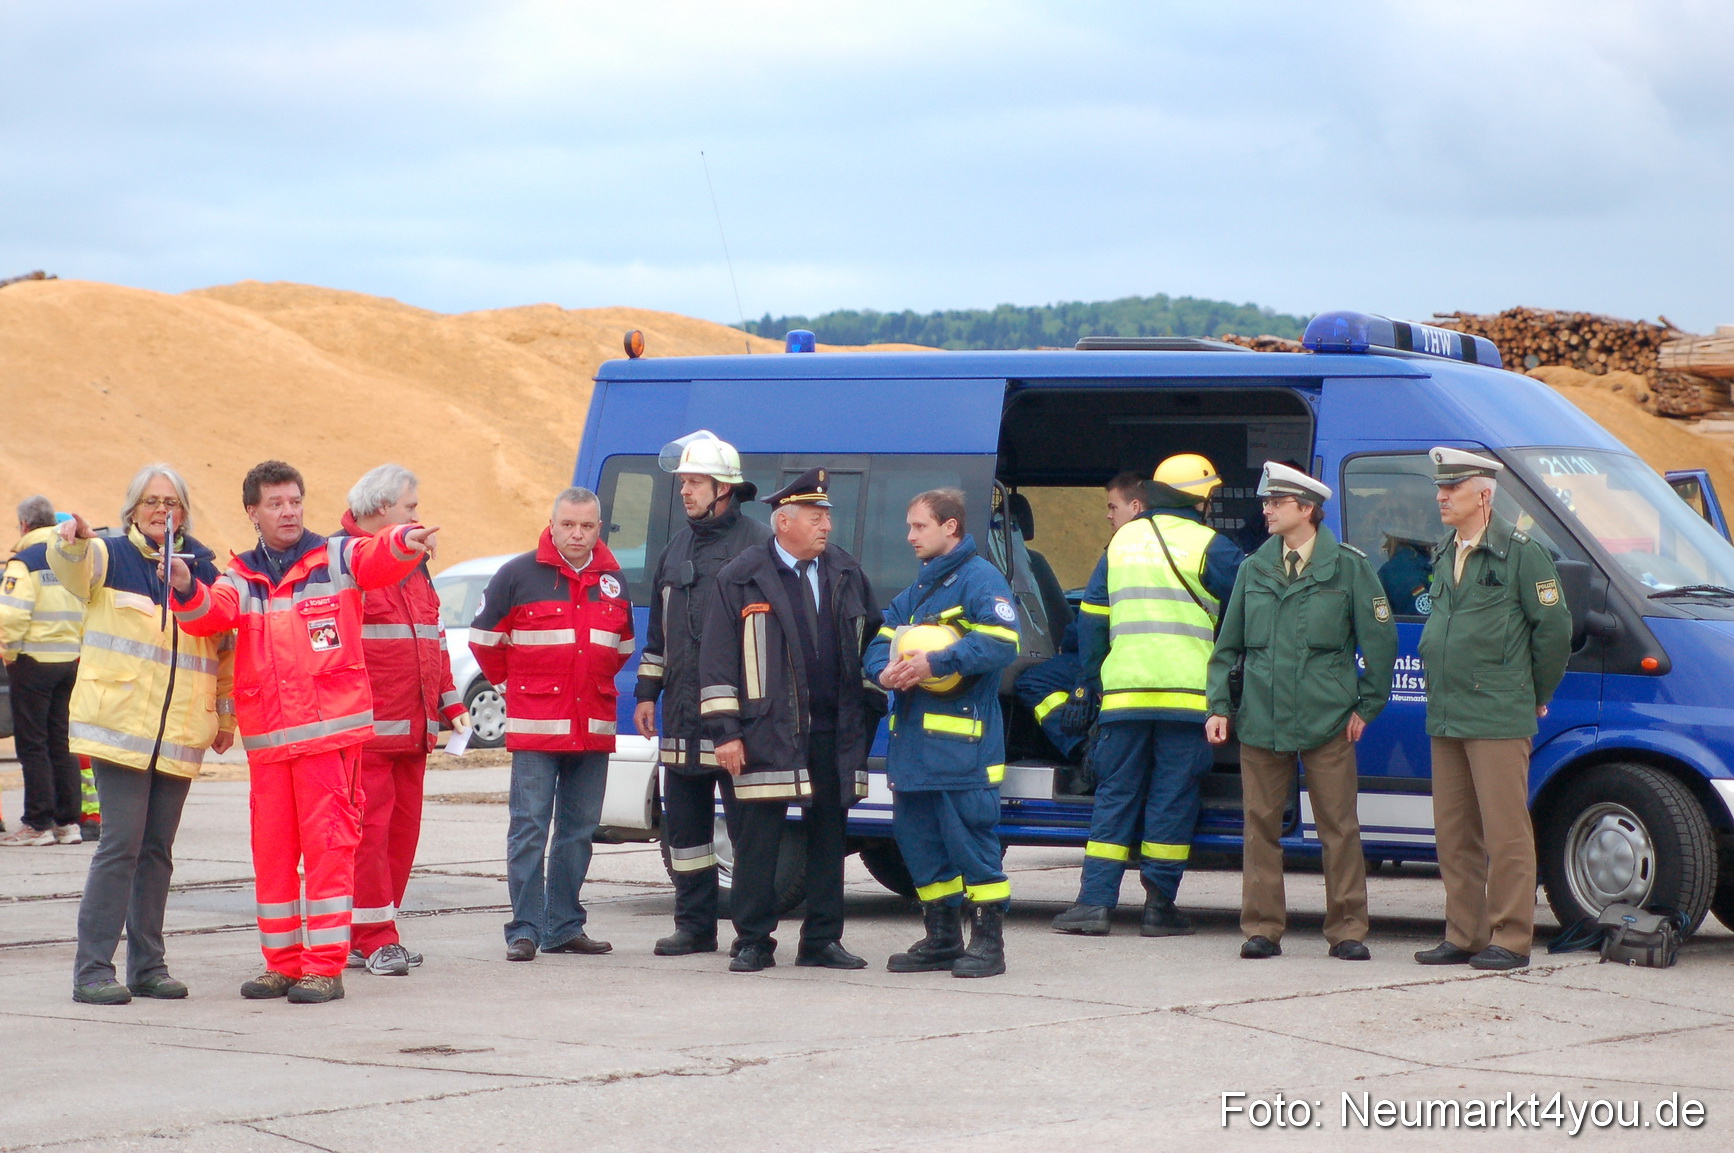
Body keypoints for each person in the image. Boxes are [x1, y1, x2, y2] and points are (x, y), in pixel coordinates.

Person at [171, 461, 437, 1004]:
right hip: (270, 746)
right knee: (272, 858)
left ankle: (324, 967)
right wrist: (183, 587)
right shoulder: (241, 575)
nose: (288, 511)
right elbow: (210, 615)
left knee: (329, 854)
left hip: (328, 743)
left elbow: (378, 558)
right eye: (276, 503)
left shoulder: (336, 556)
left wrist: (406, 538)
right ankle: (282, 964)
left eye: (294, 501)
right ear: (253, 513)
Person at [48, 466, 237, 1003]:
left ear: (184, 511)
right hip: (121, 729)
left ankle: (148, 967)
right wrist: (73, 541)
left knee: (157, 850)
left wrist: (225, 716)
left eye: (171, 502)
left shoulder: (203, 566)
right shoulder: (107, 555)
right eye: (151, 501)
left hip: (178, 733)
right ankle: (92, 970)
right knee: (120, 845)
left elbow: (225, 649)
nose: (161, 511)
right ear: (131, 509)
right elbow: (72, 566)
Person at [1205, 462, 1398, 961]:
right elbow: (1227, 648)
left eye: (1276, 503)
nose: (1265, 510)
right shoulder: (1253, 568)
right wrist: (1220, 706)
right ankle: (1262, 927)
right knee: (1260, 825)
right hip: (1262, 719)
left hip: (1327, 718)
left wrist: (1368, 705)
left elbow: (1380, 643)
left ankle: (1348, 929)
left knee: (1339, 826)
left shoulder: (1350, 567)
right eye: (1267, 502)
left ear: (1306, 509)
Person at [1052, 453, 1244, 936]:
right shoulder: (1213, 547)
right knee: (1172, 798)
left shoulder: (1121, 543)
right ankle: (1159, 909)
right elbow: (1247, 613)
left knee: (1115, 795)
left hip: (1124, 699)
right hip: (1189, 701)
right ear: (1200, 498)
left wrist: (1091, 683)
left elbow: (1092, 622)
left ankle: (1094, 905)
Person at [698, 467, 881, 973]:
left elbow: (874, 640)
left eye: (827, 517)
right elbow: (714, 662)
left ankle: (822, 940)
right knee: (759, 842)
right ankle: (753, 941)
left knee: (828, 838)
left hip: (833, 732)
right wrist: (726, 733)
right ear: (783, 523)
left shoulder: (845, 571)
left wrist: (868, 707)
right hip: (764, 733)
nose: (826, 526)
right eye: (816, 517)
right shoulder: (740, 575)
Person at [1413, 448, 1571, 972]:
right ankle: (1464, 933)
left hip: (1499, 710)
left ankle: (1511, 937)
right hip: (1447, 709)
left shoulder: (1523, 554)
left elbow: (1554, 631)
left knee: (1505, 833)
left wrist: (1536, 694)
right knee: (1454, 833)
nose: (1440, 497)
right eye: (1440, 489)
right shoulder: (1444, 551)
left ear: (1483, 495)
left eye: (1451, 489)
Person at [469, 487, 634, 962]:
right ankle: (524, 928)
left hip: (592, 728)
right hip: (537, 728)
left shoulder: (613, 579)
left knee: (578, 832)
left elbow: (620, 646)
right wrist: (520, 684)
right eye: (568, 525)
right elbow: (484, 641)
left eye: (586, 525)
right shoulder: (518, 574)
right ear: (553, 524)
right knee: (529, 830)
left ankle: (564, 926)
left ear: (598, 528)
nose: (577, 533)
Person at [864, 489, 1019, 978]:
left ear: (950, 527)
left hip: (961, 752)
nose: (909, 536)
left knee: (973, 846)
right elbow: (879, 643)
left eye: (919, 527)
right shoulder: (921, 589)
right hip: (913, 754)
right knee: (920, 846)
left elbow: (1002, 643)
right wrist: (882, 674)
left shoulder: (979, 579)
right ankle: (942, 938)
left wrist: (938, 661)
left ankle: (988, 945)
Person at [633, 432, 770, 957]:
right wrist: (648, 690)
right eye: (683, 482)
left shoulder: (757, 545)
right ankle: (694, 925)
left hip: (738, 722)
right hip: (681, 719)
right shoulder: (675, 548)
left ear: (725, 488)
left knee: (748, 832)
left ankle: (752, 935)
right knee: (684, 834)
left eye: (694, 482)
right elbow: (658, 637)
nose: (685, 492)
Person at [340, 465, 470, 977]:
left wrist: (450, 703)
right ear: (380, 509)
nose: (418, 515)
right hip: (368, 733)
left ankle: (371, 932)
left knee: (400, 836)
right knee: (368, 838)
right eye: (410, 507)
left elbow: (431, 635)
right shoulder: (344, 561)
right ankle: (375, 938)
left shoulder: (414, 563)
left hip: (413, 732)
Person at [1015, 472, 1149, 767]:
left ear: (1136, 507)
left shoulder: (1124, 551)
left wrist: (1085, 682)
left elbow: (1096, 622)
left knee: (1031, 682)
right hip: (1110, 657)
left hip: (1101, 659)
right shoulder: (1146, 549)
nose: (1107, 515)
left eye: (1113, 507)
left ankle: (1085, 747)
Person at [0, 496, 86, 847]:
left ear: (23, 525)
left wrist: (8, 651)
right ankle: (68, 823)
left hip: (32, 662)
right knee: (60, 743)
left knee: (33, 745)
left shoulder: (24, 562)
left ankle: (38, 824)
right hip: (70, 661)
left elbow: (12, 615)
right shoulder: (70, 556)